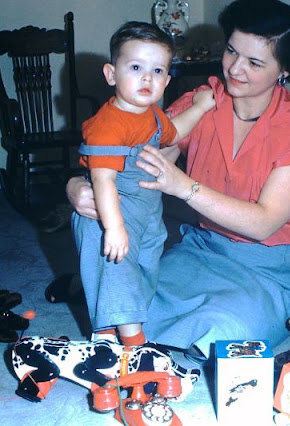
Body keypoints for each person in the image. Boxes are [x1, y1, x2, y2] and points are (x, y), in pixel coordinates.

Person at [64, 0, 290, 360]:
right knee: (123, 296)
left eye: (254, 63)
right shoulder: (204, 101)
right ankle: (113, 307)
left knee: (226, 335)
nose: (235, 69)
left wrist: (184, 187)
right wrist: (77, 186)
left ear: (284, 70)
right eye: (232, 51)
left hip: (272, 267)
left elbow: (264, 224)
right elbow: (138, 164)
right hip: (202, 251)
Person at [73, 21, 215, 346]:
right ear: (111, 74)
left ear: (167, 80)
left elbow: (173, 134)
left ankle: (108, 329)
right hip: (114, 206)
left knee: (146, 268)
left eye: (157, 70)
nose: (147, 78)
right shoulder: (108, 124)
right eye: (136, 67)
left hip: (148, 209)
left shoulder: (151, 114)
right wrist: (114, 227)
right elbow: (103, 179)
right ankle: (131, 341)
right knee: (117, 265)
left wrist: (200, 107)